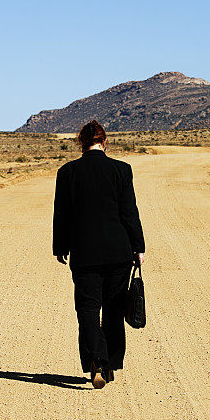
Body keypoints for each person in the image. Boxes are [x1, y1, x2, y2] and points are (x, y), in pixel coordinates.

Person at [53, 120, 145, 389]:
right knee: (114, 310)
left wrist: (60, 248)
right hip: (119, 251)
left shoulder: (67, 172)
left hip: (84, 253)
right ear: (105, 142)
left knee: (88, 310)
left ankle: (98, 361)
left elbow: (62, 215)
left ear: (80, 143)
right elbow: (129, 212)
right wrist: (138, 247)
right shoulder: (121, 170)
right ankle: (111, 363)